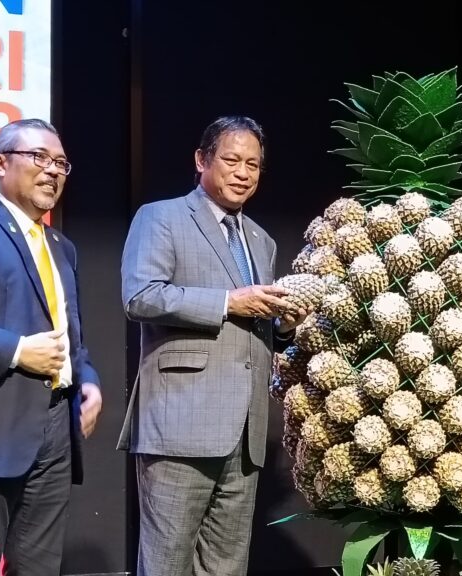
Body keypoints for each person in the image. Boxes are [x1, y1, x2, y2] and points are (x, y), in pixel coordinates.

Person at [118, 115, 308, 576]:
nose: (243, 173)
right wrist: (227, 301)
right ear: (201, 160)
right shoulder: (161, 217)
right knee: (167, 563)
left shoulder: (261, 240)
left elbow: (256, 326)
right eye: (231, 160)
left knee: (227, 566)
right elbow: (140, 296)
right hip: (180, 423)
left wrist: (284, 326)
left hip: (244, 432)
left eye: (253, 165)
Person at [0, 118, 103, 576]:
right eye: (39, 157)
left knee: (38, 566)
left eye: (60, 162)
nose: (53, 170)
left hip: (56, 430)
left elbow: (71, 335)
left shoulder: (62, 246)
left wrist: (88, 380)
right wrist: (18, 350)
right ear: (0, 163)